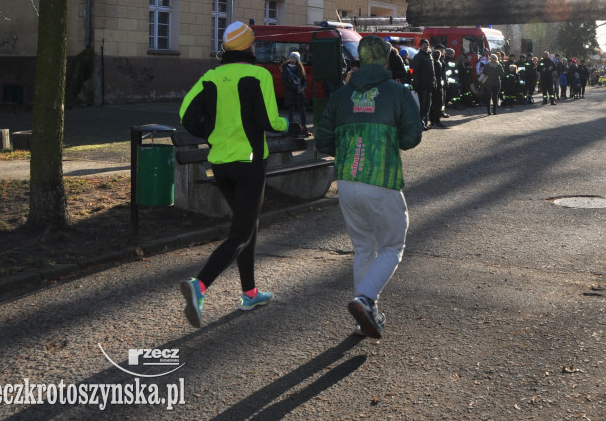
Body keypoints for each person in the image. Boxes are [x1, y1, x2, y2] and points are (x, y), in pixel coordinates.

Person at [177, 21, 290, 328]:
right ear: (246, 47)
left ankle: (250, 292)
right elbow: (269, 120)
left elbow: (185, 113)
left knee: (247, 226)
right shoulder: (258, 75)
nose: (254, 46)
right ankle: (199, 287)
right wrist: (286, 124)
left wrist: (209, 133)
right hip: (250, 163)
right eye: (252, 43)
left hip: (222, 165)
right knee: (241, 232)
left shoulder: (210, 77)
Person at [315, 35, 423, 339]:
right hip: (383, 180)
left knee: (364, 248)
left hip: (348, 182)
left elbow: (322, 141)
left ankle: (366, 315)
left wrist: (352, 147)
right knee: (392, 247)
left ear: (359, 60)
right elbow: (412, 137)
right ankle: (365, 300)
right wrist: (389, 141)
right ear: (388, 60)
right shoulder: (399, 92)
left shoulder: (339, 95)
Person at [281, 51, 308, 135]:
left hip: (300, 93)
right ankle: (291, 129)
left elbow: (304, 80)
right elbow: (286, 82)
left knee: (303, 111)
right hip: (291, 93)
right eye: (291, 58)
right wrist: (296, 88)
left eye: (294, 58)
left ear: (297, 59)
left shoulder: (300, 68)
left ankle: (304, 127)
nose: (292, 59)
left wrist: (303, 88)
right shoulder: (286, 68)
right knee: (291, 112)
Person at [411, 39, 435, 129]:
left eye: (427, 45)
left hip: (429, 85)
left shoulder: (429, 56)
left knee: (427, 105)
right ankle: (420, 124)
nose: (426, 46)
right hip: (421, 86)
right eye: (424, 44)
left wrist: (434, 81)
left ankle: (424, 123)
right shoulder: (418, 57)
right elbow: (413, 70)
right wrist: (416, 82)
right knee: (422, 106)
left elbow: (432, 71)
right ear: (420, 46)